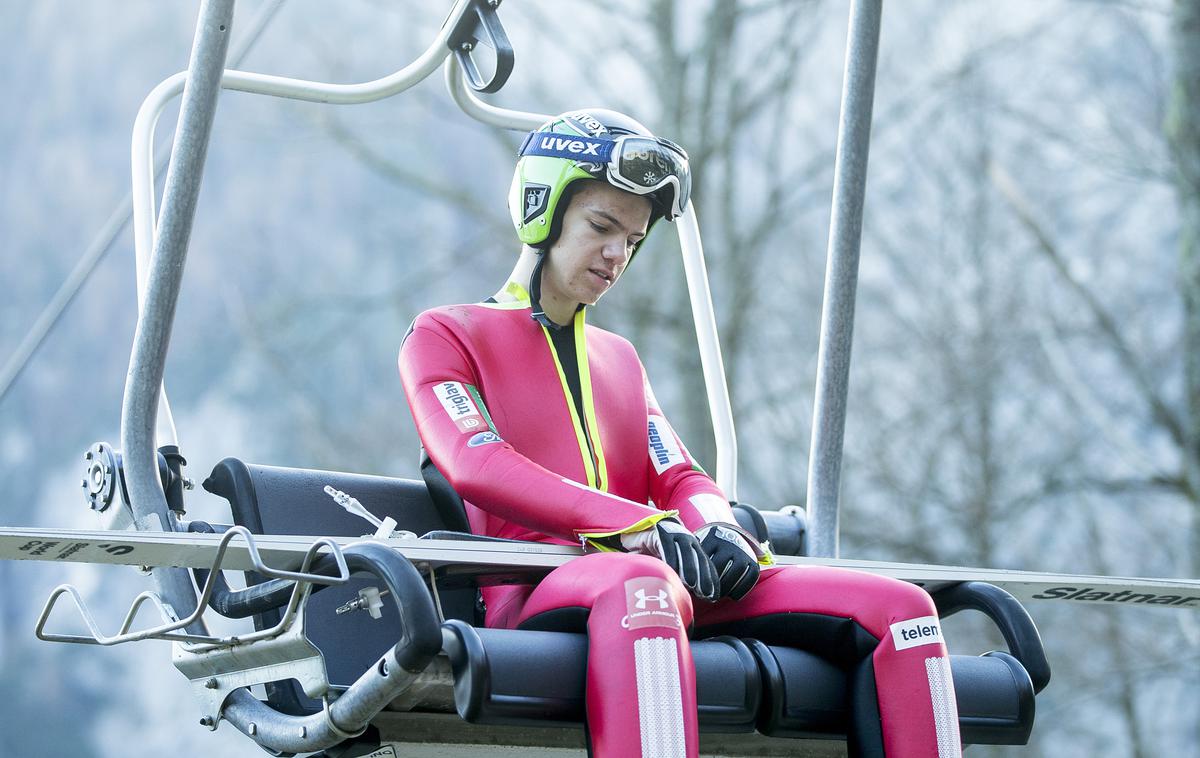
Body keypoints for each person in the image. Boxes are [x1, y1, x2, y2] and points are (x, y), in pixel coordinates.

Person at [399, 109, 962, 758]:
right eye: (601, 227)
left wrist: (717, 527)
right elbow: (476, 461)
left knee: (904, 611)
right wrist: (630, 524)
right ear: (542, 212)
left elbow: (680, 475)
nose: (617, 255)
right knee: (642, 587)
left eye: (633, 242)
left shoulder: (620, 363)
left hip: (657, 576)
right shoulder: (445, 335)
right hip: (541, 585)